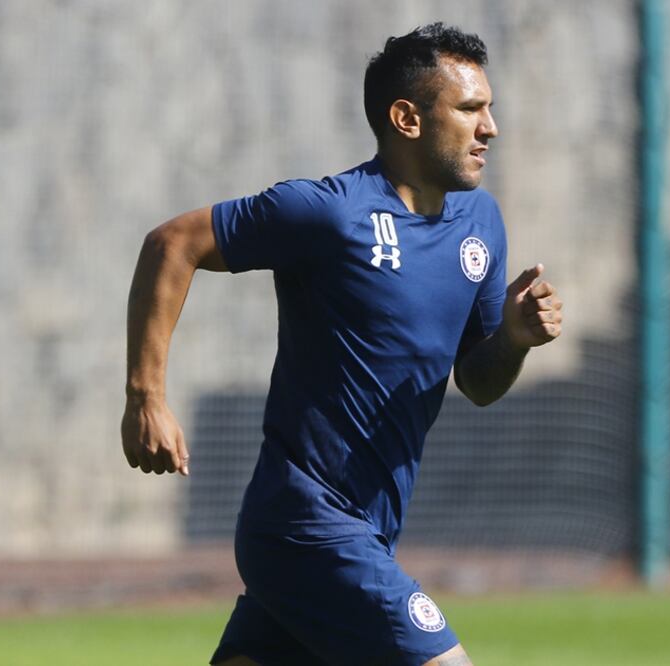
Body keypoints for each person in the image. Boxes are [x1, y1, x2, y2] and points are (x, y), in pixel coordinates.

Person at [122, 22, 563, 666]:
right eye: (470, 109)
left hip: (365, 531)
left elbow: (478, 381)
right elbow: (173, 243)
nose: (490, 127)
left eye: (489, 108)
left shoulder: (481, 223)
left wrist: (515, 340)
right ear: (407, 118)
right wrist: (146, 397)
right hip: (305, 523)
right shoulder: (330, 212)